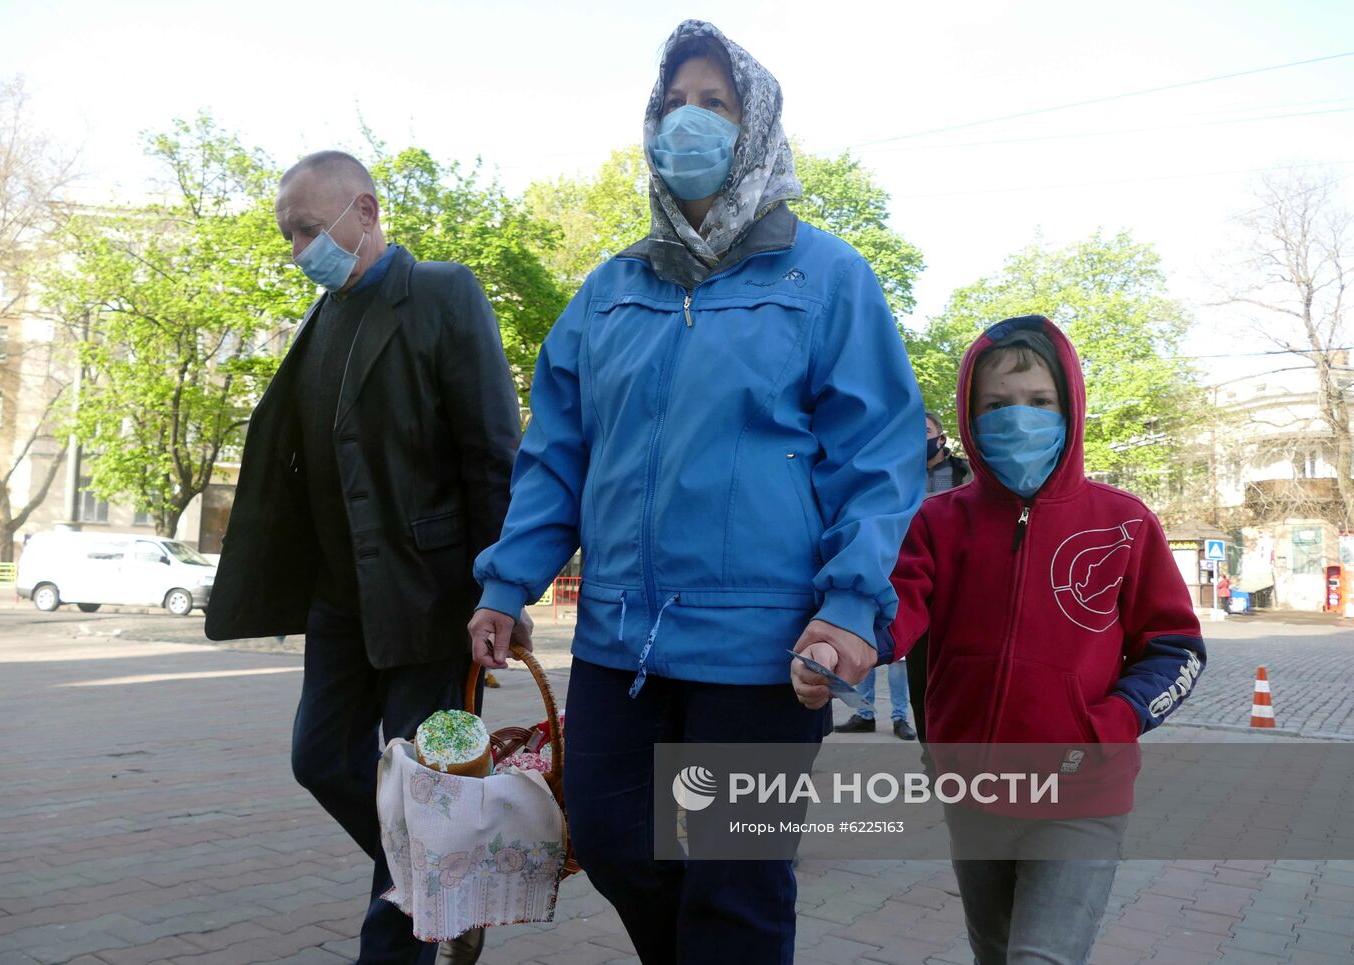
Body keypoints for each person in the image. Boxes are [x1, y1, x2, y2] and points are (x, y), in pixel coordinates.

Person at [467, 21, 924, 962]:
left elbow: (877, 455)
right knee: (608, 838)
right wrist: (506, 582)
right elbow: (557, 452)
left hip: (765, 649)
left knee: (735, 879)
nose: (689, 120)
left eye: (714, 103)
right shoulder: (608, 291)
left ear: (754, 125)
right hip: (619, 639)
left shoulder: (827, 277)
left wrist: (849, 607)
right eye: (674, 101)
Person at [794, 315, 1206, 965]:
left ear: (1070, 407)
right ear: (968, 414)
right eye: (996, 405)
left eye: (1040, 402)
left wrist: (1109, 724)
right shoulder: (936, 520)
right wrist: (838, 647)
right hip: (974, 794)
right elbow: (892, 610)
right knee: (995, 953)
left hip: (1083, 789)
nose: (1019, 419)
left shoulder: (1125, 523)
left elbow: (1177, 646)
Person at [205, 150, 523, 964]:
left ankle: (408, 921)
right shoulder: (322, 320)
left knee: (421, 791)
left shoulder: (443, 293)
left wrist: (503, 587)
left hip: (432, 600)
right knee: (319, 759)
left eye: (308, 228)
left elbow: (491, 450)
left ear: (366, 211)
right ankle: (443, 874)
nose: (298, 247)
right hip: (340, 603)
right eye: (289, 234)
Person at [838, 410, 970, 737]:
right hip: (899, 578)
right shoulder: (897, 475)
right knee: (887, 650)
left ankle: (901, 719)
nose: (918, 438)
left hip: (952, 586)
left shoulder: (963, 474)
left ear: (941, 439)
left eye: (925, 431)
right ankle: (868, 715)